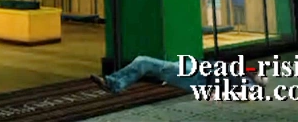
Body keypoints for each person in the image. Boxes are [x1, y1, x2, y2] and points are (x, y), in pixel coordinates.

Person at [91, 55, 268, 94]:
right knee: (147, 65)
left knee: (144, 62)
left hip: (197, 77)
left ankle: (113, 83)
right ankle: (115, 84)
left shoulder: (244, 82)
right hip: (195, 70)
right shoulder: (242, 74)